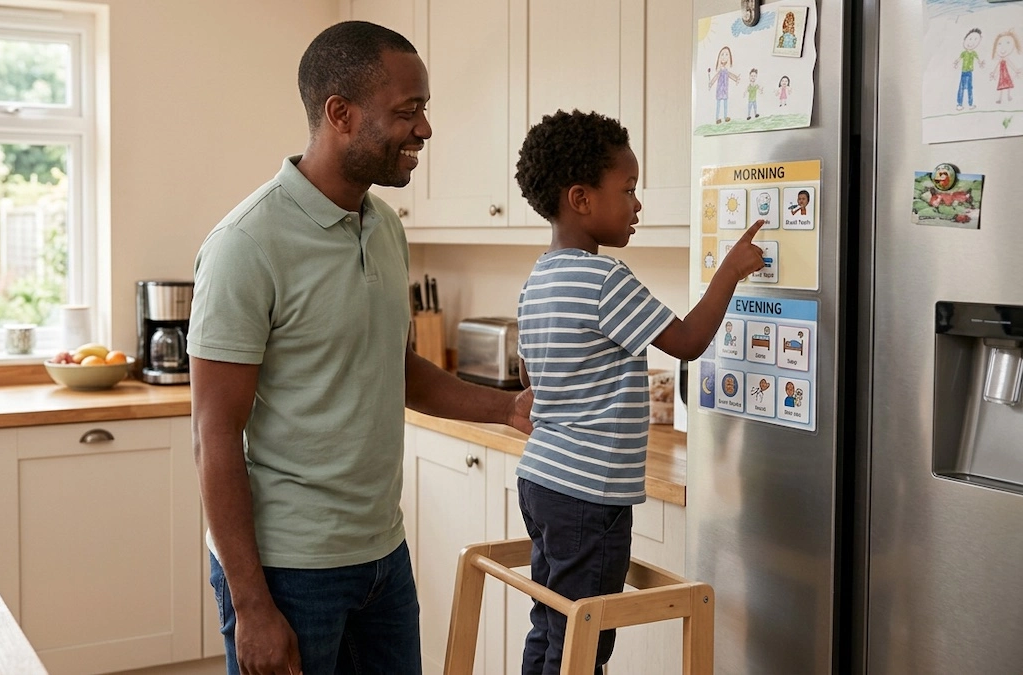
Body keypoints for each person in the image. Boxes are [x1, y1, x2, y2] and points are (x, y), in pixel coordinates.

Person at [188, 21, 533, 675]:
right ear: (340, 114)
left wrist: (506, 408)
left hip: (382, 557)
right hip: (287, 570)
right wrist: (252, 605)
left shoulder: (384, 228)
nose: (424, 128)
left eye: (424, 109)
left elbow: (393, 368)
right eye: (408, 110)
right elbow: (214, 435)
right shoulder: (246, 244)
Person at [512, 109, 766, 674]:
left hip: (542, 481)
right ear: (581, 199)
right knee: (584, 642)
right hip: (588, 492)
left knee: (552, 623)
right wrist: (729, 270)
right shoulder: (606, 279)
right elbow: (688, 341)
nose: (637, 205)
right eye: (627, 190)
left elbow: (530, 375)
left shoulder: (538, 277)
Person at [953, 28, 984, 110]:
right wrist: (956, 63)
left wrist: (981, 63)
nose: (971, 43)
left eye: (975, 40)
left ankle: (970, 104)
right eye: (970, 39)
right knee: (961, 87)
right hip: (963, 72)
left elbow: (978, 60)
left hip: (970, 73)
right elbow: (958, 59)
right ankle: (959, 104)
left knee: (970, 88)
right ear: (965, 39)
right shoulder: (964, 53)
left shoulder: (974, 53)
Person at [707, 46, 739, 124]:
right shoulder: (720, 71)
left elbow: (730, 75)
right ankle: (717, 118)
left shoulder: (726, 70)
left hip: (725, 89)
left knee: (725, 103)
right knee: (718, 104)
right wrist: (711, 83)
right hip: (719, 89)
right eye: (722, 54)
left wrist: (736, 78)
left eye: (726, 55)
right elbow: (715, 77)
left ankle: (725, 116)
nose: (724, 57)